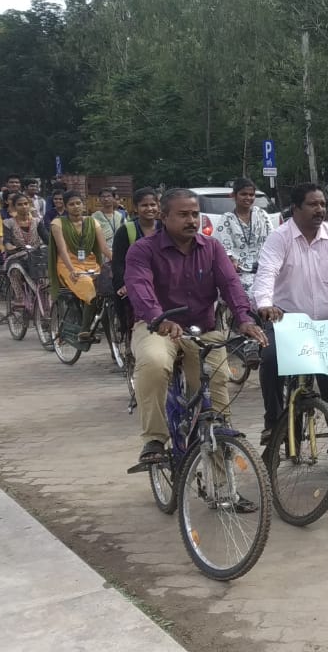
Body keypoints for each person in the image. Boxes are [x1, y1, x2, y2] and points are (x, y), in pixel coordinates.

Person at [125, 188, 266, 472]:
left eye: (195, 214)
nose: (191, 220)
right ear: (164, 217)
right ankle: (154, 439)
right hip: (157, 328)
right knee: (154, 363)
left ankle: (225, 487)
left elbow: (230, 285)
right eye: (183, 215)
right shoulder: (143, 249)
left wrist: (244, 318)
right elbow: (139, 288)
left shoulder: (211, 247)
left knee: (216, 396)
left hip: (202, 330)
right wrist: (158, 318)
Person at [252, 182, 328, 477]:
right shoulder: (280, 238)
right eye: (313, 204)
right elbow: (266, 272)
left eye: (323, 205)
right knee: (271, 359)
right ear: (296, 209)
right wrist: (264, 303)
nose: (320, 210)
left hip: (326, 322)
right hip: (287, 319)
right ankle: (272, 424)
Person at [48, 190, 110, 342]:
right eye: (71, 204)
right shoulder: (58, 223)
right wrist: (72, 270)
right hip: (68, 265)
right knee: (90, 289)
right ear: (66, 206)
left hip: (90, 264)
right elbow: (62, 250)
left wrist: (121, 262)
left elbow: (104, 248)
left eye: (78, 203)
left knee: (107, 291)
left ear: (83, 204)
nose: (75, 207)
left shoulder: (92, 222)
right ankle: (84, 330)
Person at [212, 177, 272, 295]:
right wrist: (232, 260)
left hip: (262, 269)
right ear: (234, 195)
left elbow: (272, 240)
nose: (248, 198)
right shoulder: (227, 219)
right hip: (238, 272)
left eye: (251, 194)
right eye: (243, 194)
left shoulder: (262, 215)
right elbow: (223, 247)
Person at [112, 188, 161, 333]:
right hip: (133, 277)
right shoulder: (125, 231)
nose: (149, 209)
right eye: (144, 205)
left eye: (153, 205)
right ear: (135, 208)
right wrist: (123, 284)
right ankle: (127, 334)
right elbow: (118, 261)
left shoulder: (165, 228)